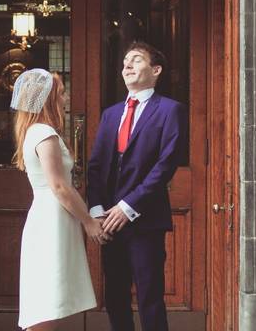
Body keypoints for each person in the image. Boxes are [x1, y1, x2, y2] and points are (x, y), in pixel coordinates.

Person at [86, 41, 188, 331]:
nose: (127, 65)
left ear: (156, 70)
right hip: (108, 222)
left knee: (150, 297)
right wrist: (96, 209)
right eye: (125, 61)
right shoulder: (110, 114)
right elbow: (96, 167)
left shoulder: (171, 110)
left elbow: (165, 166)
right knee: (115, 296)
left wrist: (128, 206)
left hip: (145, 220)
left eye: (137, 60)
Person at [12, 68, 103, 330]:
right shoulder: (44, 134)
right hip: (51, 219)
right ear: (48, 99)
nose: (65, 99)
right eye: (61, 94)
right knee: (46, 300)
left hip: (47, 216)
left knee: (45, 297)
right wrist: (88, 221)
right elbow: (60, 186)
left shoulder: (34, 131)